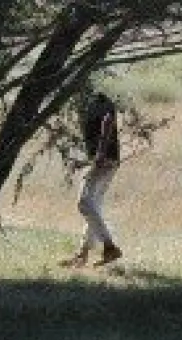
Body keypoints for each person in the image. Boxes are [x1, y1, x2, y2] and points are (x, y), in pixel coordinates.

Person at [60, 91, 122, 268]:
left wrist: (101, 151)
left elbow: (108, 119)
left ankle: (109, 246)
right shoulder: (92, 101)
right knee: (94, 206)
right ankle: (82, 255)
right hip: (107, 160)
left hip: (104, 160)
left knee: (84, 204)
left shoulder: (96, 99)